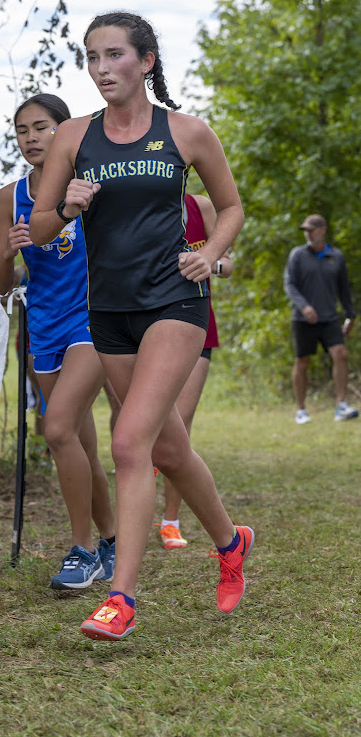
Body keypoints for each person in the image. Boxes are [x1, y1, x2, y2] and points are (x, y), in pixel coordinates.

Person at [29, 11, 254, 641]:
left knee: (129, 443)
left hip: (175, 301)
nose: (102, 69)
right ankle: (232, 542)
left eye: (114, 56)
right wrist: (66, 207)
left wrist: (209, 255)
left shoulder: (185, 132)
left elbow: (232, 207)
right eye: (92, 58)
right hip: (108, 311)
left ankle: (120, 597)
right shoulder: (74, 137)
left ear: (146, 61)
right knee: (168, 446)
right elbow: (41, 230)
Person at [0, 93, 116, 590]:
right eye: (22, 131)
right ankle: (109, 540)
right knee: (80, 443)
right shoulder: (10, 198)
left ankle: (82, 550)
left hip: (93, 319)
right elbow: (2, 282)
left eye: (41, 128)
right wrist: (8, 250)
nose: (31, 138)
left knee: (57, 429)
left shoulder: (89, 185)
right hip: (43, 326)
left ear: (64, 132)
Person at [159, 193, 233, 550]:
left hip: (196, 320)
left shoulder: (200, 206)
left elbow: (228, 262)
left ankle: (170, 521)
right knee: (148, 428)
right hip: (145, 324)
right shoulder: (129, 195)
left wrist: (208, 263)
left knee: (181, 424)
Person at [284, 213, 358, 425]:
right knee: (302, 362)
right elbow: (290, 284)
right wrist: (304, 306)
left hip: (329, 317)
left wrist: (350, 315)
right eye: (305, 230)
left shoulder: (336, 256)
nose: (308, 234)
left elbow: (344, 289)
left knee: (340, 353)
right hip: (302, 319)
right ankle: (301, 410)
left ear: (323, 230)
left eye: (312, 229)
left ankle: (342, 405)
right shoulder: (297, 255)